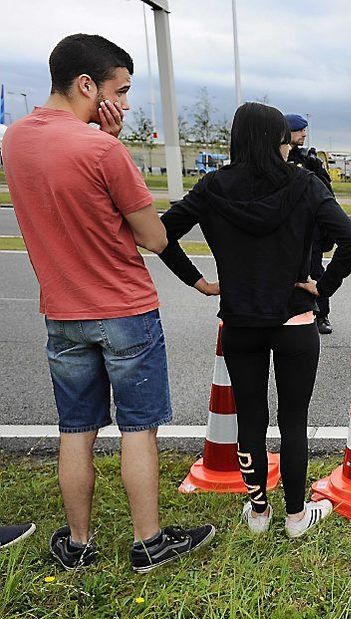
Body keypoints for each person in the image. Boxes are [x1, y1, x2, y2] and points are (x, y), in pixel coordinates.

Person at [0, 34, 215, 572]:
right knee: (138, 430)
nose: (123, 102)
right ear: (86, 84)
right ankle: (149, 542)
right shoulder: (103, 150)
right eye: (119, 90)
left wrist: (103, 135)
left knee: (75, 430)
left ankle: (77, 543)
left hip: (62, 309)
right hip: (124, 308)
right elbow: (154, 237)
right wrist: (112, 144)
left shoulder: (16, 140)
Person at [158, 102, 351, 538]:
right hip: (294, 321)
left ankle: (257, 512)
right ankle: (294, 516)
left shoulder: (212, 187)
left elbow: (161, 235)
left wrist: (197, 281)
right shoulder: (305, 184)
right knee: (293, 419)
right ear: (277, 140)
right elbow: (350, 238)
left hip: (239, 322)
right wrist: (323, 286)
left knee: (250, 417)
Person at [285, 113, 336, 335]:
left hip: (309, 229)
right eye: (300, 130)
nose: (304, 134)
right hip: (283, 228)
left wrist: (327, 230)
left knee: (314, 271)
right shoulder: (274, 159)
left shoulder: (310, 160)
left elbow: (327, 195)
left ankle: (321, 315)